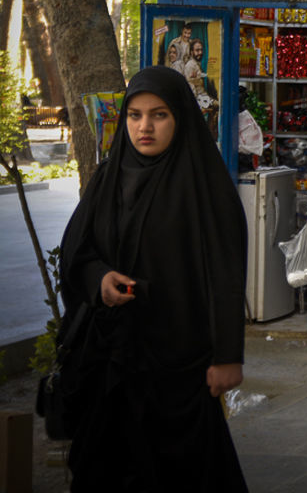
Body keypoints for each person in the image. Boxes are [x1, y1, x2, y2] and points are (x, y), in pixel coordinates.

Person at [58, 66, 249, 491]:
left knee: (185, 471)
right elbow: (77, 250)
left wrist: (227, 355)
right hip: (114, 357)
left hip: (180, 361)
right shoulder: (109, 178)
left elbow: (225, 274)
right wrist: (101, 279)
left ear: (180, 118)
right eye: (135, 115)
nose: (145, 127)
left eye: (159, 115)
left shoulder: (205, 187)